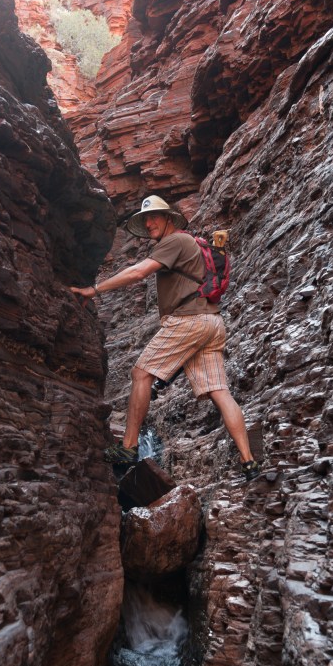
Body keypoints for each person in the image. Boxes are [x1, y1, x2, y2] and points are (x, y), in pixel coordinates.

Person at [70, 195, 260, 481]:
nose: (148, 223)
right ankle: (250, 463)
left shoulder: (174, 241)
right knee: (220, 392)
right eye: (145, 219)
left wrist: (94, 290)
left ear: (169, 218)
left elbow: (139, 271)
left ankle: (129, 447)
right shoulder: (191, 244)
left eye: (154, 217)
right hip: (212, 322)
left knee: (141, 374)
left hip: (189, 321)